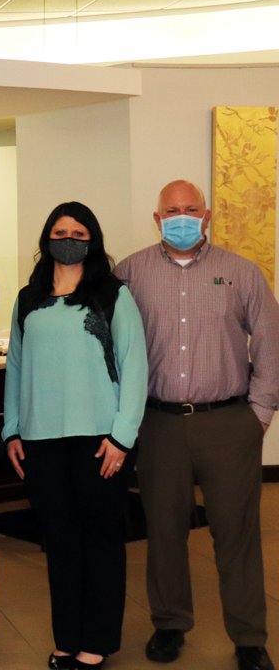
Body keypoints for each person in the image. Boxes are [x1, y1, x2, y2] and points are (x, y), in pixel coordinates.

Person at [116, 180, 279, 670]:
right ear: (157, 218)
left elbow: (269, 344)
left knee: (236, 534)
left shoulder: (241, 273)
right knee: (164, 531)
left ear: (206, 217)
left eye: (191, 209)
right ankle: (169, 624)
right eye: (172, 211)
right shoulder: (130, 274)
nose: (181, 218)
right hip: (158, 424)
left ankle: (249, 637)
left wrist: (259, 415)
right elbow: (113, 346)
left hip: (228, 423)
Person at [3, 202, 148, 670]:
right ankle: (67, 637)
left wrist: (123, 437)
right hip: (41, 439)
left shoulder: (113, 295)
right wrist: (12, 428)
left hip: (100, 440)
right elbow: (16, 366)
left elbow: (135, 365)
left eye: (78, 233)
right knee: (60, 542)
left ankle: (97, 640)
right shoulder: (28, 298)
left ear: (93, 241)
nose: (68, 240)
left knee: (100, 540)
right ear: (47, 239)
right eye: (60, 232)